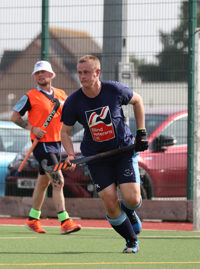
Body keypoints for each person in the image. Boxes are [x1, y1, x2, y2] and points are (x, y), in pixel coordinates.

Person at [60, 55, 148, 253]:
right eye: (80, 72)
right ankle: (131, 240)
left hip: (123, 151)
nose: (82, 76)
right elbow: (64, 132)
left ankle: (129, 212)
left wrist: (141, 132)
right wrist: (71, 155)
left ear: (97, 73)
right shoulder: (73, 102)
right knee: (109, 201)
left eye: (86, 72)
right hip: (97, 158)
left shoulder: (114, 90)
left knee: (132, 199)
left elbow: (138, 101)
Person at [11, 60, 81, 235]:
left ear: (51, 75)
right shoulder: (29, 96)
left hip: (57, 144)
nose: (40, 75)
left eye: (44, 72)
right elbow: (14, 116)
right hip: (41, 146)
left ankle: (33, 219)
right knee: (59, 180)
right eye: (37, 73)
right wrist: (31, 128)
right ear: (34, 77)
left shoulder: (62, 95)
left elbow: (69, 117)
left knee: (44, 183)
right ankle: (65, 221)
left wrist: (70, 153)